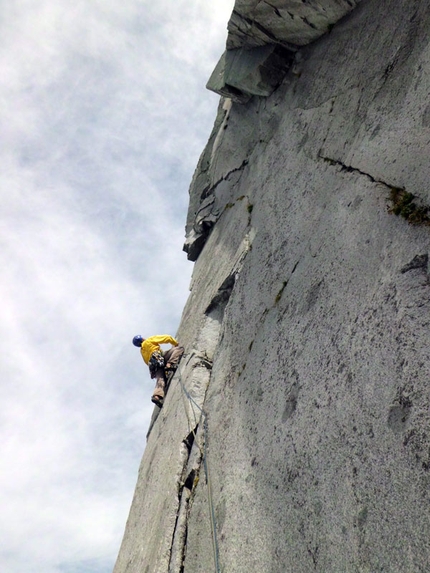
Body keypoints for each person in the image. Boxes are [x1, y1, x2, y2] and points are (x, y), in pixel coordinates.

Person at [132, 334, 184, 407]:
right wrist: (175, 343)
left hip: (154, 366)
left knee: (160, 379)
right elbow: (167, 338)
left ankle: (156, 396)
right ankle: (170, 364)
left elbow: (147, 362)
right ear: (142, 339)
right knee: (179, 349)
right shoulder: (148, 340)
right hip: (160, 358)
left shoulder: (142, 351)